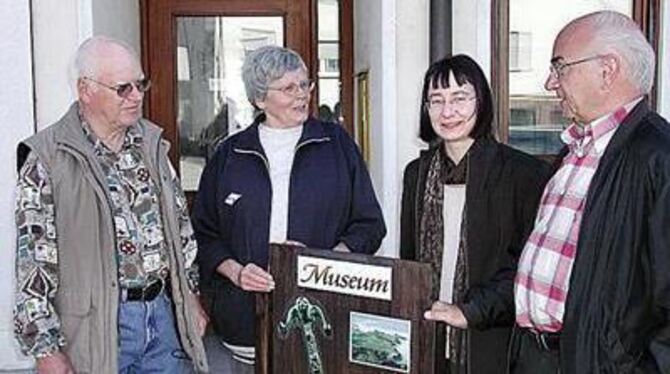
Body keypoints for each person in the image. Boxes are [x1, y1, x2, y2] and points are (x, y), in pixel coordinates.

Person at [13, 36, 208, 374]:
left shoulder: (152, 145)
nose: (136, 96)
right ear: (85, 89)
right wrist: (45, 349)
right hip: (95, 328)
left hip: (164, 320)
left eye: (140, 84)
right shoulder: (47, 157)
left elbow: (180, 229)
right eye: (123, 88)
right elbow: (33, 263)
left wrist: (190, 296)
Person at [191, 45, 386, 373]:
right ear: (259, 99)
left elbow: (369, 225)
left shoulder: (336, 145)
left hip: (321, 320)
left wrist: (323, 265)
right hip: (245, 322)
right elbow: (204, 235)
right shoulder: (229, 155)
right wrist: (237, 271)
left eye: (304, 85)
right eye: (288, 88)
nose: (302, 95)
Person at [511, 11, 670, 373]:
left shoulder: (659, 158)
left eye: (560, 67)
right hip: (535, 356)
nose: (551, 83)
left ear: (607, 69)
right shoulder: (573, 152)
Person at [401, 54, 550, 373]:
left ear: (481, 102)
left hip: (490, 343)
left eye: (460, 98)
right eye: (436, 100)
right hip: (428, 339)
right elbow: (409, 261)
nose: (448, 111)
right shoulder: (416, 173)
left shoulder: (523, 174)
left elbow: (530, 269)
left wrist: (470, 311)